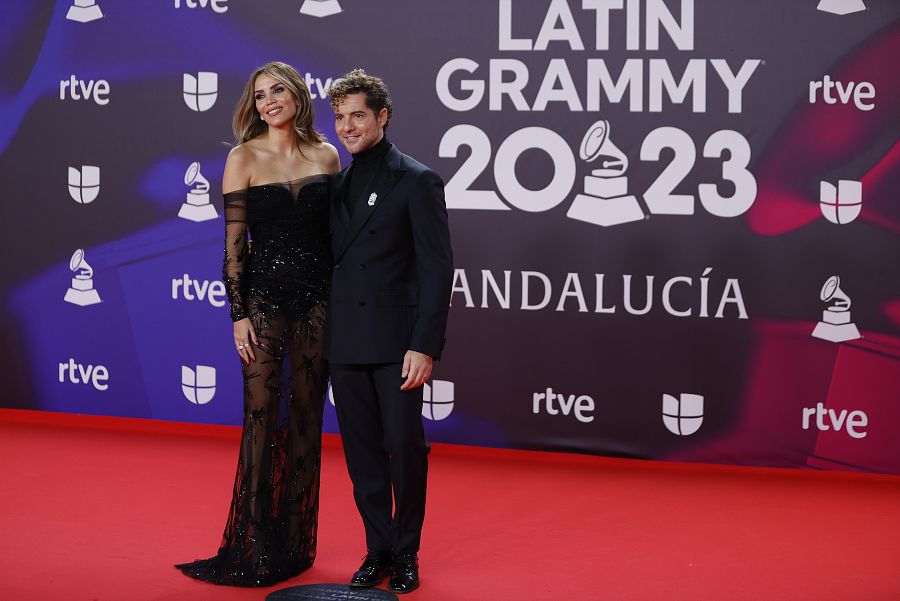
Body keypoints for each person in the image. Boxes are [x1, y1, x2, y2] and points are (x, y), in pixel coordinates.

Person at [176, 61, 340, 587]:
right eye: (260, 94)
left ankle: (294, 540)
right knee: (261, 417)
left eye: (278, 90)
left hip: (319, 302)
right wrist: (238, 316)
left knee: (307, 418)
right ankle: (253, 543)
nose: (269, 100)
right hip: (265, 303)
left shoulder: (327, 155)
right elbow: (234, 248)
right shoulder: (241, 157)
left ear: (297, 95)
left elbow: (334, 240)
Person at [326, 69, 453, 594]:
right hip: (346, 339)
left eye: (357, 115)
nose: (347, 126)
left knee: (403, 445)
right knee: (359, 452)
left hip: (398, 344)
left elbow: (437, 268)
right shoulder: (333, 185)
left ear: (382, 117)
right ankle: (376, 548)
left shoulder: (417, 179)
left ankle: (406, 552)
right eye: (339, 117)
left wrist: (424, 344)